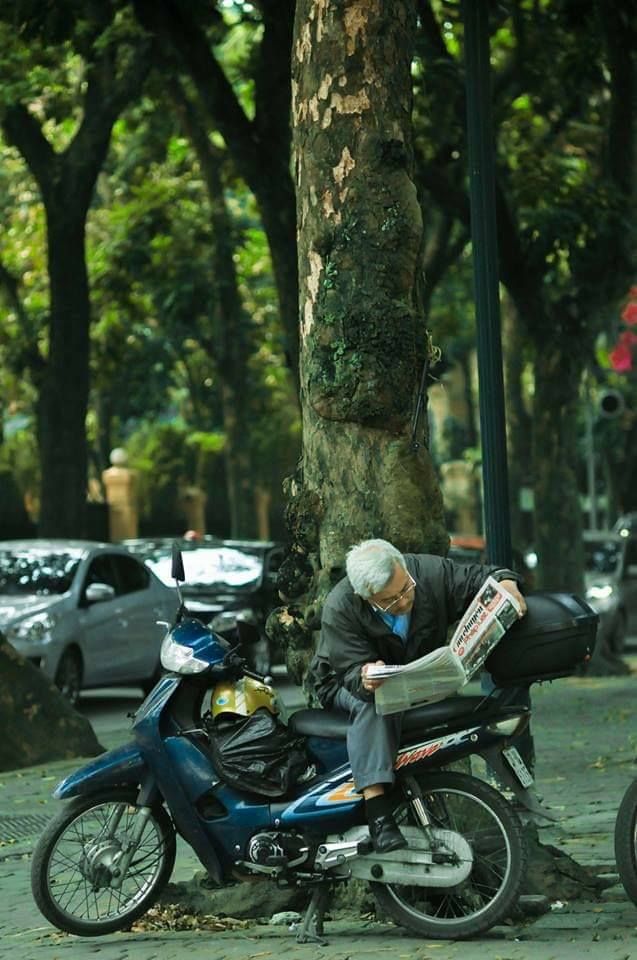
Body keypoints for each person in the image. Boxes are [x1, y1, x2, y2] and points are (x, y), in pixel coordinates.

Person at [309, 538, 526, 853]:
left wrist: (508, 584)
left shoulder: (429, 572)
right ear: (365, 597)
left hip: (417, 675)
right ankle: (378, 812)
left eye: (405, 589)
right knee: (376, 705)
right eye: (389, 601)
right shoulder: (340, 606)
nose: (403, 601)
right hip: (346, 682)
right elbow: (351, 674)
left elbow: (484, 577)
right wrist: (366, 676)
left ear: (404, 566)